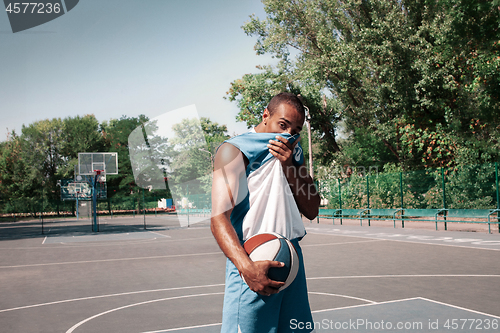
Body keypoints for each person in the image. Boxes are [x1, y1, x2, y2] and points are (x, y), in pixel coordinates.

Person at [211, 92, 320, 333]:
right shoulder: (234, 150)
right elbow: (219, 218)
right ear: (266, 116)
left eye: (296, 129)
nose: (289, 133)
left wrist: (289, 166)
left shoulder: (294, 154)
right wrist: (247, 269)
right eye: (283, 124)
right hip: (253, 259)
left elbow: (312, 210)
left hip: (291, 260)